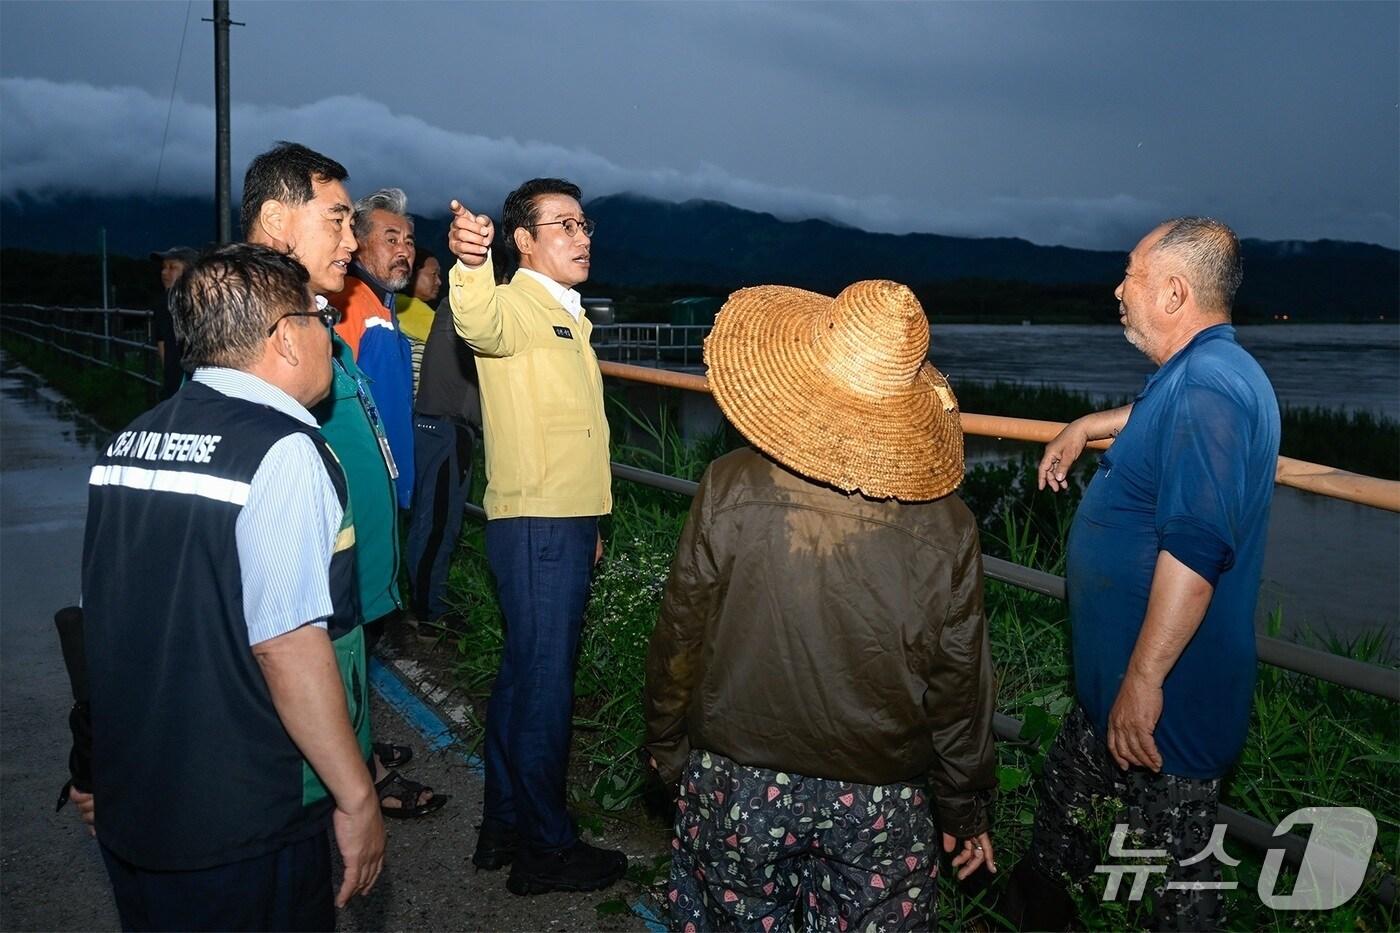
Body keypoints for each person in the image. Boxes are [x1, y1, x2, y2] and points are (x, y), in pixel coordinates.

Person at [643, 279, 998, 932]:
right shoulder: (950, 527)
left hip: (734, 779)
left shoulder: (728, 483)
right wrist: (963, 809)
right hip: (881, 800)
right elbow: (958, 690)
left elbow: (680, 638)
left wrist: (666, 749)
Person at [80, 243, 384, 930]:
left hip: (139, 807)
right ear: (283, 338)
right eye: (318, 316)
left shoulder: (129, 442)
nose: (328, 332)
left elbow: (112, 621)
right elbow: (287, 646)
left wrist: (92, 761)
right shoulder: (282, 452)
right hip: (241, 820)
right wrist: (357, 795)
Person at [1003, 218, 1280, 932]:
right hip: (1115, 704)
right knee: (1056, 837)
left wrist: (1143, 680)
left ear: (1174, 292)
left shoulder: (1210, 388)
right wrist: (1089, 424)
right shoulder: (1197, 375)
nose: (1117, 288)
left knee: (1178, 900)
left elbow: (1194, 552)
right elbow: (1159, 416)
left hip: (1164, 719)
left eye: (1131, 274)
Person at [242, 142, 444, 819]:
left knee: (345, 678)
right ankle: (346, 786)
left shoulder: (320, 318)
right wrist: (352, 802)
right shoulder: (266, 344)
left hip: (345, 578)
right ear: (277, 220)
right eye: (337, 219)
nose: (351, 238)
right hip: (316, 594)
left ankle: (354, 763)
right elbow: (279, 629)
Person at [446, 178, 625, 895]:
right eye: (564, 225)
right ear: (523, 240)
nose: (582, 236)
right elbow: (476, 320)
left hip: (561, 521)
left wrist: (591, 523)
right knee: (547, 688)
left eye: (585, 224)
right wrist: (467, 260)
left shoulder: (563, 312)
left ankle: (506, 822)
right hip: (537, 523)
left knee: (524, 679)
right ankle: (547, 850)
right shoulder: (517, 302)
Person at [404, 254, 481, 631]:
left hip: (434, 426)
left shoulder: (451, 309)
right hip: (449, 429)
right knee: (438, 523)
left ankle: (424, 602)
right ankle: (429, 611)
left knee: (429, 520)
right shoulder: (470, 310)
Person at [329, 188, 417, 509]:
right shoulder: (347, 301)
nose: (404, 250)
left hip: (386, 481)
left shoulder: (385, 308)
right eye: (391, 240)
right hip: (359, 484)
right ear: (359, 245)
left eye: (409, 242)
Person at [148, 246, 197, 398]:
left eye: (172, 267)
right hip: (176, 385)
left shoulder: (203, 302)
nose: (164, 273)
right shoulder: (163, 302)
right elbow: (162, 343)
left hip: (195, 383)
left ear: (190, 272)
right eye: (164, 268)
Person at [395, 246, 441, 395]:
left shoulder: (394, 303)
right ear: (412, 275)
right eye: (434, 274)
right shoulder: (407, 306)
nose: (439, 282)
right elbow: (447, 339)